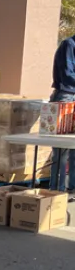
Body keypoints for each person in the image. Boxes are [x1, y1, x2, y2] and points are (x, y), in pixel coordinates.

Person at [50, 35, 75, 194]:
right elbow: (67, 73)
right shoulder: (69, 45)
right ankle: (56, 191)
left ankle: (72, 189)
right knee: (61, 150)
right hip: (66, 96)